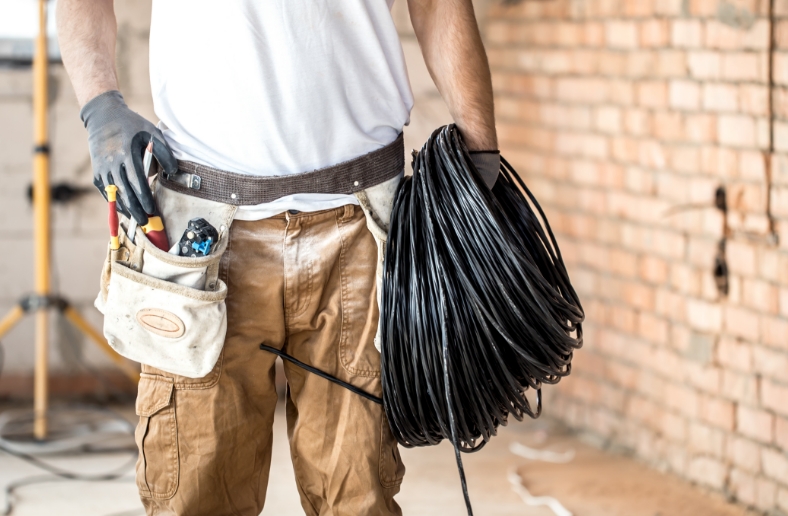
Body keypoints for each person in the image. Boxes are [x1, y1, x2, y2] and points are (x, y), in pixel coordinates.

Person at [57, 0, 498, 514]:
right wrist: (98, 105)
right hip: (206, 242)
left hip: (362, 229)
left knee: (359, 497)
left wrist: (482, 151)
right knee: (195, 494)